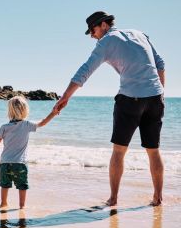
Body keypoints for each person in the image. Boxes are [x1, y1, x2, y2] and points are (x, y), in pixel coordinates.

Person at [54, 11, 165, 206]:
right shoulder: (140, 33)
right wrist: (161, 92)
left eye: (93, 30)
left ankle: (113, 199)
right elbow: (160, 64)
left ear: (104, 25)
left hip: (130, 99)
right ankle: (157, 198)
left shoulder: (106, 42)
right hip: (155, 98)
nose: (92, 35)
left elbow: (85, 70)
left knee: (119, 151)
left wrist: (65, 97)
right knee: (153, 151)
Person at [0, 95, 57, 209]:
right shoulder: (27, 125)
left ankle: (3, 204)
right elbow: (43, 123)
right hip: (20, 163)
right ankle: (22, 206)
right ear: (25, 110)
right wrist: (53, 113)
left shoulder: (4, 127)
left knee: (5, 185)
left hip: (4, 163)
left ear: (10, 111)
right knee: (22, 186)